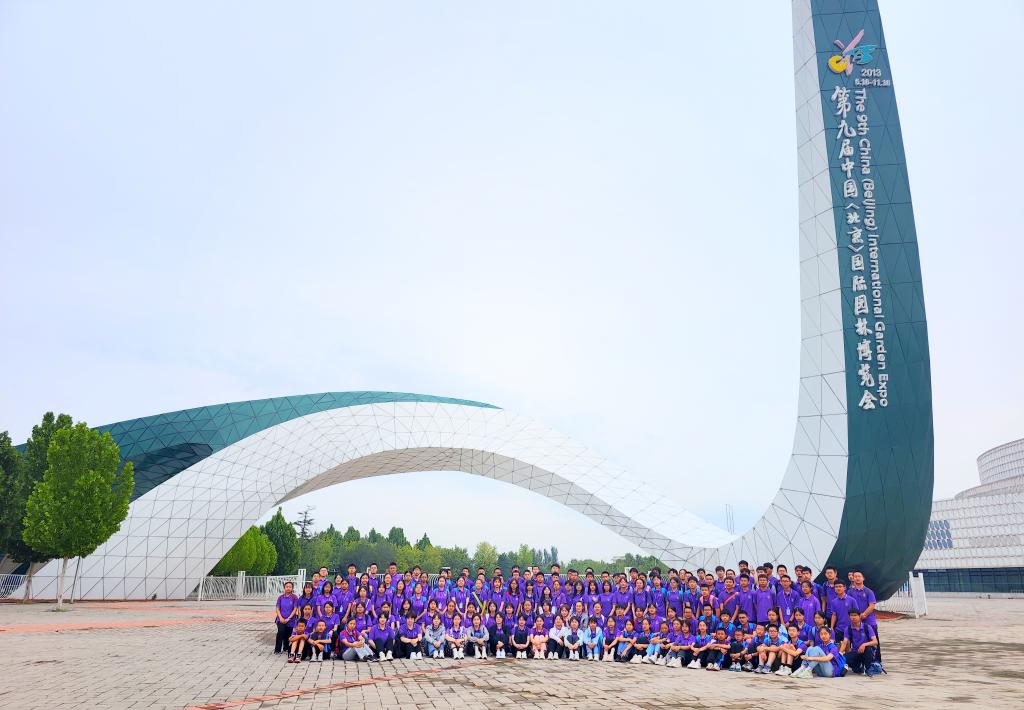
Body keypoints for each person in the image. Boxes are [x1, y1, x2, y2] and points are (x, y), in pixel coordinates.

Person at [842, 609, 879, 674]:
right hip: (855, 652)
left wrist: (864, 645)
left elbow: (875, 642)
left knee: (868, 649)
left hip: (866, 652)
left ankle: (868, 668)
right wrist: (840, 654)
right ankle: (858, 667)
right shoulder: (848, 629)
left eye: (855, 615)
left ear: (859, 616)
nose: (853, 617)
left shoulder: (867, 627)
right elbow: (845, 642)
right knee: (844, 658)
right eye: (851, 615)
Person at [274, 581, 299, 654]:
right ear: (284, 588)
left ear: (292, 588)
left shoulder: (294, 597)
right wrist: (281, 618)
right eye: (287, 587)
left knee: (288, 634)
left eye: (290, 587)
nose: (288, 588)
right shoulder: (280, 597)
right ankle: (277, 649)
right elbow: (277, 608)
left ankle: (286, 648)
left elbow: (295, 609)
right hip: (280, 619)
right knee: (281, 631)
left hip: (291, 620)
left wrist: (289, 618)